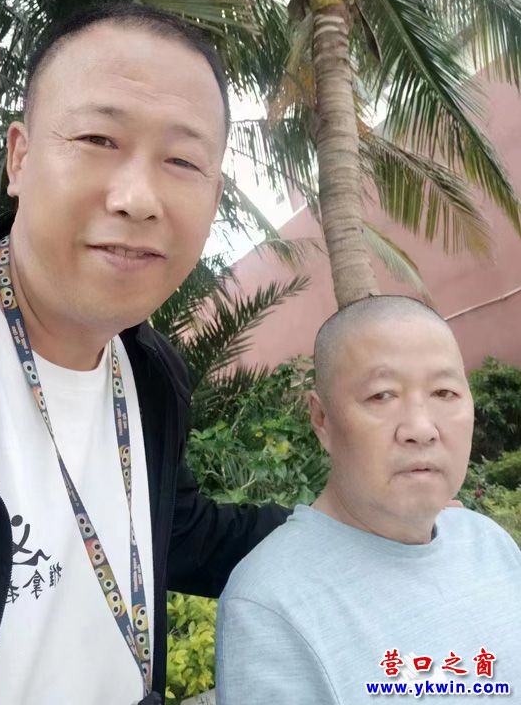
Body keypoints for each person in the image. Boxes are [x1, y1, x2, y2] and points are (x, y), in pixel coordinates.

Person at [0, 2, 289, 705]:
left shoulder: (150, 374)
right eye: (97, 138)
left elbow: (177, 532)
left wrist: (349, 523)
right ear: (20, 157)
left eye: (182, 160)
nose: (138, 198)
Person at [216, 296, 521, 704]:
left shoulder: (489, 542)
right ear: (321, 418)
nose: (421, 428)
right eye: (381, 395)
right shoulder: (271, 602)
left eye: (444, 392)